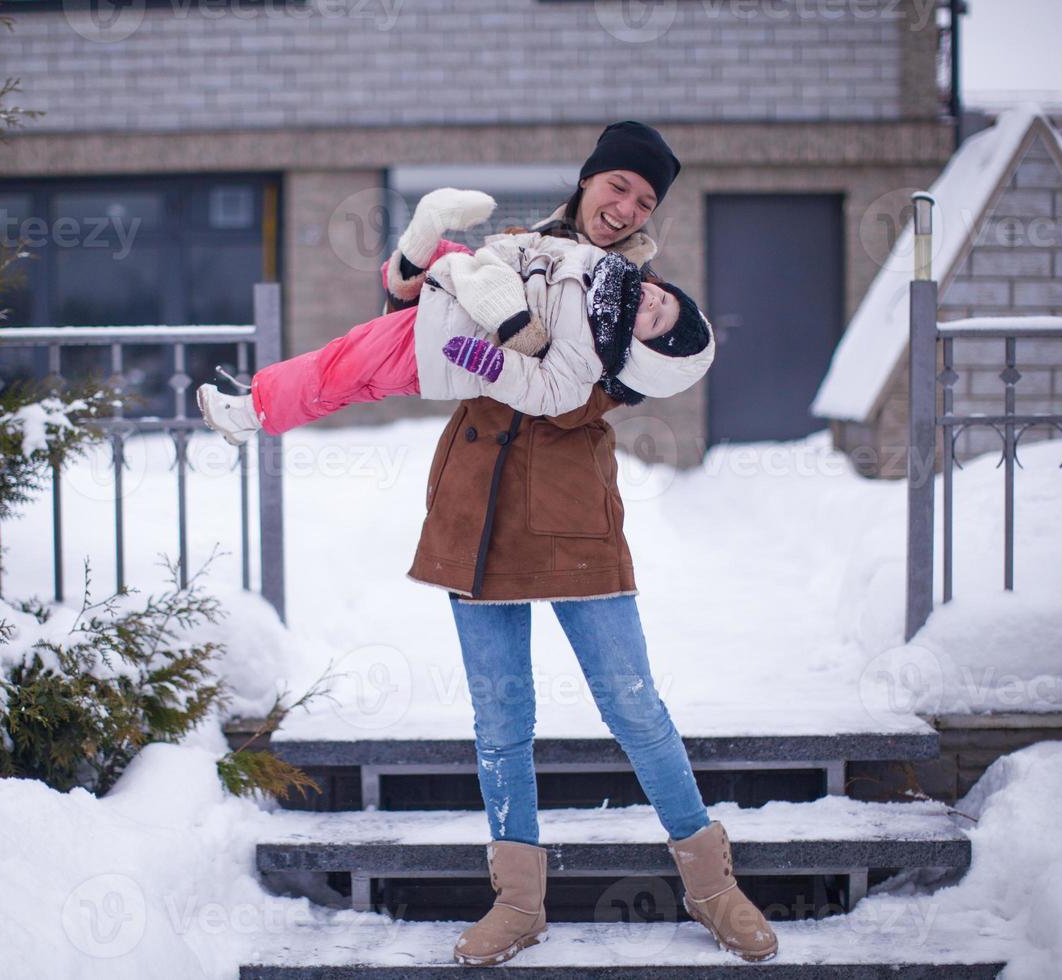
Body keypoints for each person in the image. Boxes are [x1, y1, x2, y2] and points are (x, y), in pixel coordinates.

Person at [396, 121, 779, 966]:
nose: (626, 207)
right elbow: (416, 325)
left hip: (572, 513)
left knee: (634, 707)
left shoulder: (632, 293)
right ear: (588, 182)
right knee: (501, 719)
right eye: (618, 187)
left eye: (644, 200)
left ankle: (714, 888)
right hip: (476, 508)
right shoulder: (511, 252)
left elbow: (579, 399)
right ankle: (518, 903)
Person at [194, 193, 713, 446]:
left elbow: (540, 390)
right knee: (423, 261)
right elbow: (539, 247)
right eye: (663, 300)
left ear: (644, 354)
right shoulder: (601, 268)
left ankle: (252, 412)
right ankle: (425, 234)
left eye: (657, 324)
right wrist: (506, 253)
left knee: (342, 367)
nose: (651, 303)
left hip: (446, 343)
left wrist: (495, 355)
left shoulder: (587, 362)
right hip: (468, 284)